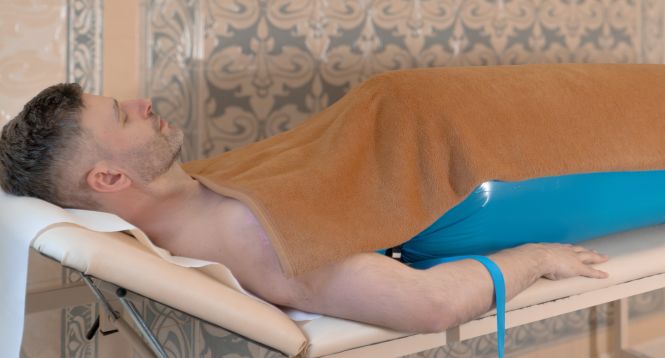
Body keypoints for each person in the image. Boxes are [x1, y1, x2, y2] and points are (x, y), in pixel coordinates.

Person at [0, 83, 608, 333]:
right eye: (122, 116)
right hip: (515, 162)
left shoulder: (206, 190)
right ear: (109, 177)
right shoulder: (252, 236)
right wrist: (535, 259)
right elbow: (428, 305)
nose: (141, 102)